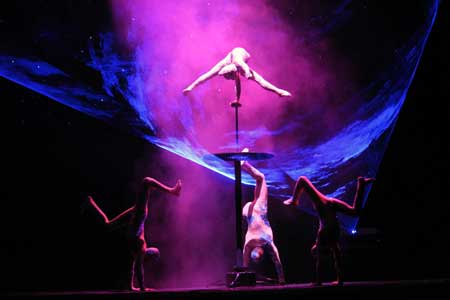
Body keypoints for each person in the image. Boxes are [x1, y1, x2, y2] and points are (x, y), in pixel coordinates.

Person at [83, 177, 182, 291]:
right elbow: (133, 269)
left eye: (155, 252)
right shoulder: (136, 253)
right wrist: (132, 287)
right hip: (134, 221)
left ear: (150, 253)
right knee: (108, 225)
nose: (155, 249)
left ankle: (172, 191)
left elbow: (139, 270)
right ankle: (91, 203)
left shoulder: (141, 249)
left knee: (146, 182)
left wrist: (142, 288)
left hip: (138, 217)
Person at [283, 175, 375, 286]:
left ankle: (361, 184)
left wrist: (338, 280)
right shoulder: (321, 238)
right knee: (303, 180)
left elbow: (333, 257)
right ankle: (295, 200)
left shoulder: (326, 238)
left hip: (332, 220)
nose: (314, 248)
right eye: (314, 250)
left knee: (354, 212)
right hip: (327, 207)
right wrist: (318, 281)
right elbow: (321, 259)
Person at [240, 150, 285, 284]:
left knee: (261, 178)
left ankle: (244, 165)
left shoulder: (267, 239)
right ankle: (244, 165)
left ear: (261, 251)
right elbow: (244, 264)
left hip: (258, 210)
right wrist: (244, 275)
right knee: (257, 192)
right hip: (247, 213)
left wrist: (282, 278)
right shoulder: (248, 243)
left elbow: (276, 259)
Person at [182, 47, 291, 98]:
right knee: (210, 74)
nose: (231, 80)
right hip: (231, 59)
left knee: (259, 80)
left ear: (233, 73)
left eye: (230, 77)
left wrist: (248, 72)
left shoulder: (238, 64)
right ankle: (279, 92)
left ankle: (279, 92)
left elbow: (244, 67)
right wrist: (191, 87)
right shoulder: (221, 65)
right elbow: (205, 77)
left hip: (241, 54)